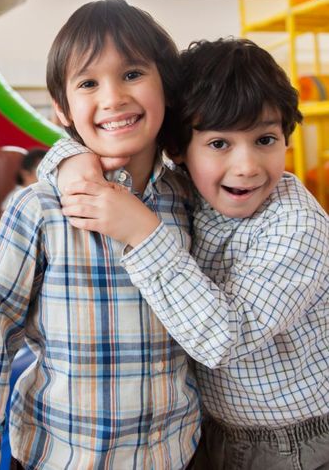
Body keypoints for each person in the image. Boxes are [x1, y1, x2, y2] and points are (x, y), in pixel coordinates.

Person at [44, 38, 329, 470]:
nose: (247, 166)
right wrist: (72, 159)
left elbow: (223, 339)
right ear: (177, 150)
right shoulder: (184, 186)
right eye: (219, 144)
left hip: (292, 440)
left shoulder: (296, 223)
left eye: (266, 139)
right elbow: (117, 144)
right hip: (207, 426)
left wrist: (142, 230)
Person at [0, 0, 200, 469]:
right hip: (59, 458)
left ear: (166, 85)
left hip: (172, 455)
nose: (113, 98)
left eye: (132, 74)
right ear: (63, 108)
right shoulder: (40, 210)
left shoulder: (189, 202)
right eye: (89, 82)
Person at [0, 148, 47, 212]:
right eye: (41, 170)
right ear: (25, 174)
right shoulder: (16, 197)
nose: (47, 175)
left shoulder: (43, 194)